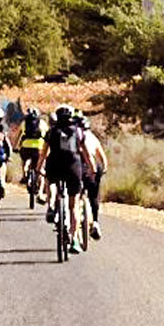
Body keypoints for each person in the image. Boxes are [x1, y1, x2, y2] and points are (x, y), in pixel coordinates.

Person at [43, 105, 86, 252]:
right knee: (73, 206)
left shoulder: (51, 132)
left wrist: (38, 168)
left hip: (55, 165)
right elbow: (84, 151)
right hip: (73, 167)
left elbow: (43, 153)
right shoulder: (78, 132)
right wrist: (92, 168)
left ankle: (51, 206)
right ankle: (74, 240)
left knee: (51, 181)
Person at [76, 111, 108, 244]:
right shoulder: (92, 137)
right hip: (93, 168)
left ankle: (74, 222)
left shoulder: (72, 136)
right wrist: (104, 169)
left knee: (75, 195)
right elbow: (102, 158)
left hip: (77, 167)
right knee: (94, 196)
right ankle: (95, 222)